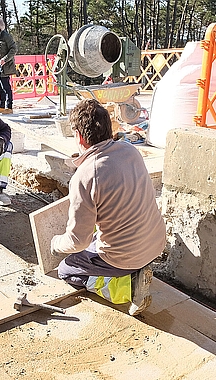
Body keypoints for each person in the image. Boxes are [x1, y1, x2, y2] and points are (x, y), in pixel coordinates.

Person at [50, 99, 166, 315]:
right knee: (98, 236)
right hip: (155, 243)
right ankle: (135, 269)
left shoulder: (85, 176)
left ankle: (128, 287)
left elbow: (78, 241)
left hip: (124, 257)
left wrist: (56, 244)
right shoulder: (130, 151)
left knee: (67, 270)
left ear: (79, 136)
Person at [0, 17, 17, 114]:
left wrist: (5, 59)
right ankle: (1, 105)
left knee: (6, 87)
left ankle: (9, 107)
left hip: (4, 67)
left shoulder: (5, 36)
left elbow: (13, 49)